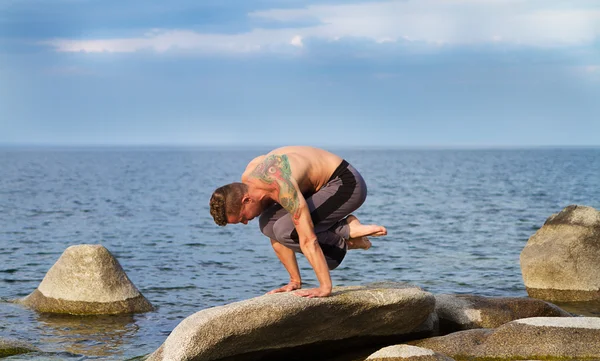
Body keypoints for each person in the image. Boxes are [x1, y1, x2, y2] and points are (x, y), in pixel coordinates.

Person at [209, 146, 386, 298]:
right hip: (315, 187)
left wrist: (325, 287)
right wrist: (294, 281)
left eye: (242, 218)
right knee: (267, 224)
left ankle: (347, 230)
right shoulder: (250, 178)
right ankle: (346, 232)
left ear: (246, 200)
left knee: (288, 231)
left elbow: (308, 239)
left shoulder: (281, 186)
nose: (246, 222)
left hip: (346, 183)